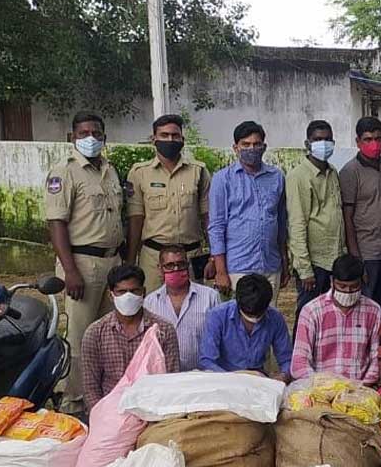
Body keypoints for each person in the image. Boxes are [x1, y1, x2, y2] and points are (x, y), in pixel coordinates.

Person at [45, 111, 125, 416]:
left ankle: (100, 397)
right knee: (79, 338)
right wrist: (70, 271)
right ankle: (72, 402)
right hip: (81, 263)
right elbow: (56, 223)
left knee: (108, 335)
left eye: (96, 133)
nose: (90, 138)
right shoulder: (64, 172)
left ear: (104, 137)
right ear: (72, 137)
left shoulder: (110, 171)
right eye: (83, 133)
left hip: (111, 261)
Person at [125, 114, 212, 292]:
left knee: (194, 305)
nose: (170, 140)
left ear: (182, 140)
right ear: (154, 139)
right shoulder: (139, 173)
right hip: (153, 258)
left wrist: (214, 256)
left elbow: (208, 217)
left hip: (190, 256)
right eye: (164, 135)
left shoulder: (198, 171)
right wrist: (130, 261)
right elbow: (136, 219)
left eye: (175, 135)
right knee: (152, 305)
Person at [80, 264, 180, 412]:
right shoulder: (95, 333)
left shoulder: (164, 330)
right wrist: (102, 415)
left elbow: (171, 381)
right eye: (121, 292)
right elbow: (90, 388)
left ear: (143, 292)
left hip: (154, 409)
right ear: (111, 295)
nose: (128, 297)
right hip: (110, 411)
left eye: (134, 291)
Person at [208, 120, 289, 302]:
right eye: (245, 144)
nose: (251, 149)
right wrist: (221, 271)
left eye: (256, 144)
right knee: (238, 316)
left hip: (270, 265)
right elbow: (216, 227)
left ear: (264, 147)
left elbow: (281, 223)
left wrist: (284, 262)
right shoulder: (222, 179)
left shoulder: (276, 177)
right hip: (237, 267)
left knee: (268, 314)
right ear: (235, 148)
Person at [291, 254, 381, 385]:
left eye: (354, 287)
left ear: (361, 282)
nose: (348, 291)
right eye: (342, 286)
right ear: (332, 281)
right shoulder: (311, 311)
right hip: (320, 387)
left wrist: (363, 385)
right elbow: (299, 363)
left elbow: (377, 357)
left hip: (361, 387)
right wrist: (320, 385)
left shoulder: (373, 311)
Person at [288, 119, 346, 323]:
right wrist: (305, 270)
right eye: (318, 139)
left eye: (328, 139)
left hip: (334, 258)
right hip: (314, 262)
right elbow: (297, 224)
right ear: (308, 143)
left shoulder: (332, 172)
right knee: (308, 317)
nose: (324, 144)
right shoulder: (298, 176)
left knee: (330, 317)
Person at [340, 116, 381, 316]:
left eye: (378, 138)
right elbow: (347, 216)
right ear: (358, 141)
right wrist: (356, 257)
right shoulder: (350, 172)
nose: (374, 144)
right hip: (367, 253)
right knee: (365, 307)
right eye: (368, 139)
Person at [142, 245, 220, 371]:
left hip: (203, 374)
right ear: (160, 269)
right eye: (170, 265)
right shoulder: (150, 303)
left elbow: (220, 336)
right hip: (165, 375)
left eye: (181, 264)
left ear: (188, 266)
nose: (176, 269)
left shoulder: (210, 297)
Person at [198, 274, 292, 376]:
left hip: (258, 376)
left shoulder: (275, 318)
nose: (254, 319)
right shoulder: (218, 316)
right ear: (238, 302)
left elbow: (286, 359)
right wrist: (231, 378)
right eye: (249, 315)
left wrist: (283, 376)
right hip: (224, 376)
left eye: (258, 315)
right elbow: (207, 361)